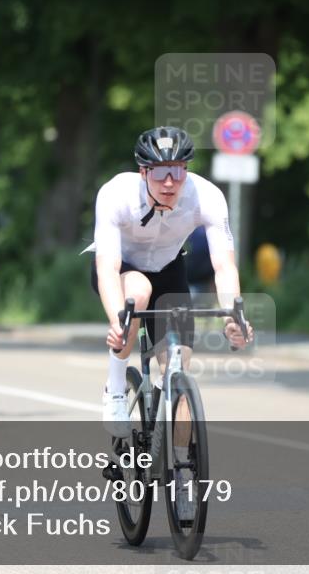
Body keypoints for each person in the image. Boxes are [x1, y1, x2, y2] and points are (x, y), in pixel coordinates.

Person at [84, 126, 254, 438]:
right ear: (143, 171)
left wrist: (232, 315)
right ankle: (116, 387)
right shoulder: (116, 194)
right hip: (123, 269)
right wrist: (117, 322)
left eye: (177, 171)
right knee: (139, 290)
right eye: (160, 172)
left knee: (178, 367)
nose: (169, 182)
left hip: (169, 269)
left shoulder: (207, 197)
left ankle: (181, 474)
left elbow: (224, 265)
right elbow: (108, 267)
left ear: (186, 170)